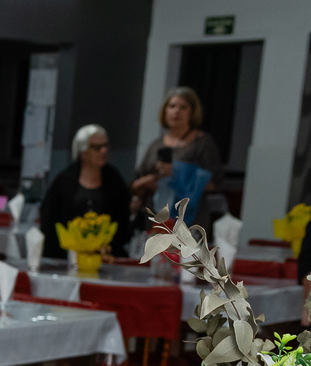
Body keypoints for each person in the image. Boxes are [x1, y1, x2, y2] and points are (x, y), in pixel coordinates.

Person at [132, 87, 223, 227]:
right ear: (165, 111)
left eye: (183, 107)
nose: (176, 111)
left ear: (192, 112)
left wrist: (177, 173)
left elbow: (215, 183)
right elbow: (140, 176)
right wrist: (147, 183)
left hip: (189, 218)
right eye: (172, 106)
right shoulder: (156, 145)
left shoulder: (203, 143)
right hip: (157, 215)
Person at [39, 125, 131, 258]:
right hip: (67, 254)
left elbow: (122, 219)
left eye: (105, 146)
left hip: (106, 254)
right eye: (97, 147)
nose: (104, 151)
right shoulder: (65, 180)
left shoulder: (114, 179)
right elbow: (50, 219)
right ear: (82, 151)